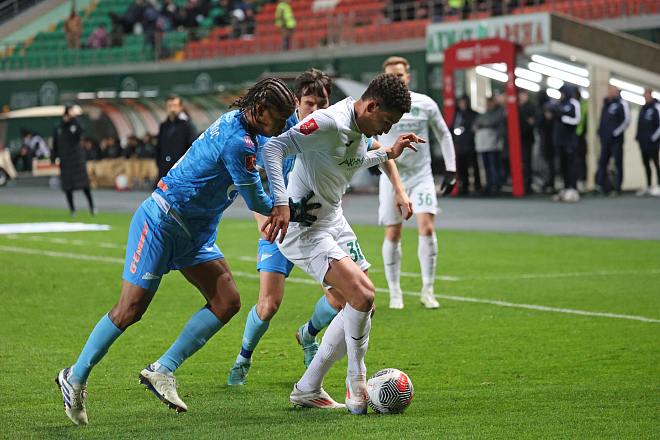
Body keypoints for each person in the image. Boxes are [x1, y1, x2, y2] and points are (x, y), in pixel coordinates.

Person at [55, 78, 319, 426]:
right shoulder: (237, 142)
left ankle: (162, 369)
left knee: (227, 301)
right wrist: (292, 209)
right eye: (279, 119)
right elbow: (257, 200)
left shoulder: (256, 121)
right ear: (259, 111)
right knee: (129, 310)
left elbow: (299, 127)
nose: (284, 125)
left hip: (196, 232)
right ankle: (74, 376)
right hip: (162, 222)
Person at [261, 73, 417, 413]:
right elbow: (273, 147)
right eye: (386, 122)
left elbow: (350, 161)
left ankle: (307, 388)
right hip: (305, 228)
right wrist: (281, 202)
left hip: (333, 221)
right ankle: (356, 378)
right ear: (371, 106)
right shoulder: (328, 121)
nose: (385, 130)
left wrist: (389, 153)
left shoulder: (360, 129)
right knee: (362, 296)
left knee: (363, 306)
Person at [227, 69, 338, 386]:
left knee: (340, 298)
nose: (315, 110)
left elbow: (372, 144)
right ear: (296, 103)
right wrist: (261, 220)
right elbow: (252, 181)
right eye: (309, 103)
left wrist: (397, 184)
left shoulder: (335, 127)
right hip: (279, 226)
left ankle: (309, 334)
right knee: (268, 305)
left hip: (315, 228)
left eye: (322, 104)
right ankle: (243, 358)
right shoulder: (278, 129)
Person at [374, 56, 456, 310]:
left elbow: (443, 134)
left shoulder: (425, 103)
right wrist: (373, 159)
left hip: (421, 176)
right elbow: (367, 134)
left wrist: (451, 169)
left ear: (408, 77)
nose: (396, 80)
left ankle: (428, 290)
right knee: (393, 233)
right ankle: (395, 291)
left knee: (427, 229)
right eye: (391, 76)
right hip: (392, 176)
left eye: (400, 75)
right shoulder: (377, 105)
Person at [52, 107, 96, 217]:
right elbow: (55, 144)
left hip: (77, 160)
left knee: (85, 186)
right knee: (68, 187)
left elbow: (82, 129)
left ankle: (92, 207)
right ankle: (72, 210)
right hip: (65, 161)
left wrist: (75, 118)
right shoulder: (59, 128)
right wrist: (53, 157)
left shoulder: (75, 125)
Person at [595, 85, 630, 195]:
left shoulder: (621, 103)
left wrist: (615, 133)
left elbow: (626, 121)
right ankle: (599, 185)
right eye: (610, 90)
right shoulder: (606, 103)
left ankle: (618, 187)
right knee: (602, 162)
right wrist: (600, 133)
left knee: (617, 163)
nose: (611, 92)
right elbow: (602, 120)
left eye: (613, 90)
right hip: (605, 140)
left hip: (616, 140)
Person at [549, 84, 581, 202]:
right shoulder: (559, 104)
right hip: (560, 141)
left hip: (570, 141)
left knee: (570, 165)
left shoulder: (574, 103)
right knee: (562, 166)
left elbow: (576, 119)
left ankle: (573, 188)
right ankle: (566, 187)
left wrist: (562, 117)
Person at [155, 95, 197, 184]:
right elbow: (159, 147)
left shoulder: (187, 126)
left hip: (181, 171)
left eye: (175, 106)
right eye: (169, 106)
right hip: (164, 170)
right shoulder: (163, 126)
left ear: (180, 107)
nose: (172, 109)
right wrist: (159, 164)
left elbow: (192, 148)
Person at [473, 96, 506, 196]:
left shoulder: (499, 112)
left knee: (494, 165)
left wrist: (482, 125)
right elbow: (475, 124)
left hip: (494, 144)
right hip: (484, 144)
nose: (487, 105)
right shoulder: (484, 114)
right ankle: (489, 185)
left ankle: (497, 185)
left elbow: (492, 121)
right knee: (486, 166)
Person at [452, 95, 481, 196]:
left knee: (474, 166)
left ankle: (477, 186)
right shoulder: (457, 115)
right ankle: (464, 186)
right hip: (460, 145)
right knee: (462, 167)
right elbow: (452, 127)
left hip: (470, 144)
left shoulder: (472, 114)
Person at [635, 89, 660, 196]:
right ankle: (649, 185)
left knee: (655, 163)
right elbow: (639, 125)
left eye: (647, 95)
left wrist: (653, 137)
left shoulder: (656, 107)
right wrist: (638, 137)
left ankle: (658, 184)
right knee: (646, 164)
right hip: (643, 142)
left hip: (653, 143)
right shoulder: (643, 109)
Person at [518, 89, 537, 194]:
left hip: (527, 138)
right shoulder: (517, 107)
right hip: (518, 138)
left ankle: (527, 184)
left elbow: (534, 121)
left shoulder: (531, 106)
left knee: (527, 161)